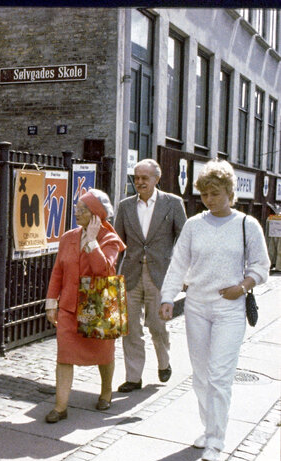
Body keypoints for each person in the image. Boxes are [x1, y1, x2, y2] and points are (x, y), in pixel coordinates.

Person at [159, 159, 269, 461]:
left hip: (229, 308)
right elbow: (178, 263)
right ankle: (209, 429)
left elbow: (262, 266)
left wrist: (243, 286)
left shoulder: (248, 225)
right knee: (201, 375)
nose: (210, 199)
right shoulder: (194, 225)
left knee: (220, 376)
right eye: (205, 194)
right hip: (196, 306)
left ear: (230, 193)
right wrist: (168, 298)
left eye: (216, 193)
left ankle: (217, 441)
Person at [44, 189, 126, 423]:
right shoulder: (68, 237)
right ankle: (60, 407)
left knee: (103, 354)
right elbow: (58, 271)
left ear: (96, 215)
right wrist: (52, 302)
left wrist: (91, 242)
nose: (76, 213)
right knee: (64, 355)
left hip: (97, 308)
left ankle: (106, 391)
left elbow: (104, 270)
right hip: (69, 307)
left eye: (82, 210)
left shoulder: (109, 239)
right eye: (77, 208)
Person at [114, 159, 187, 393]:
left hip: (160, 275)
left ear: (157, 178)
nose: (139, 182)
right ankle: (133, 377)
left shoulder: (173, 203)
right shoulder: (125, 206)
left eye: (145, 178)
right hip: (131, 274)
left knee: (157, 325)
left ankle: (164, 362)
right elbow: (117, 243)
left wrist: (181, 272)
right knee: (131, 328)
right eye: (136, 178)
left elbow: (185, 241)